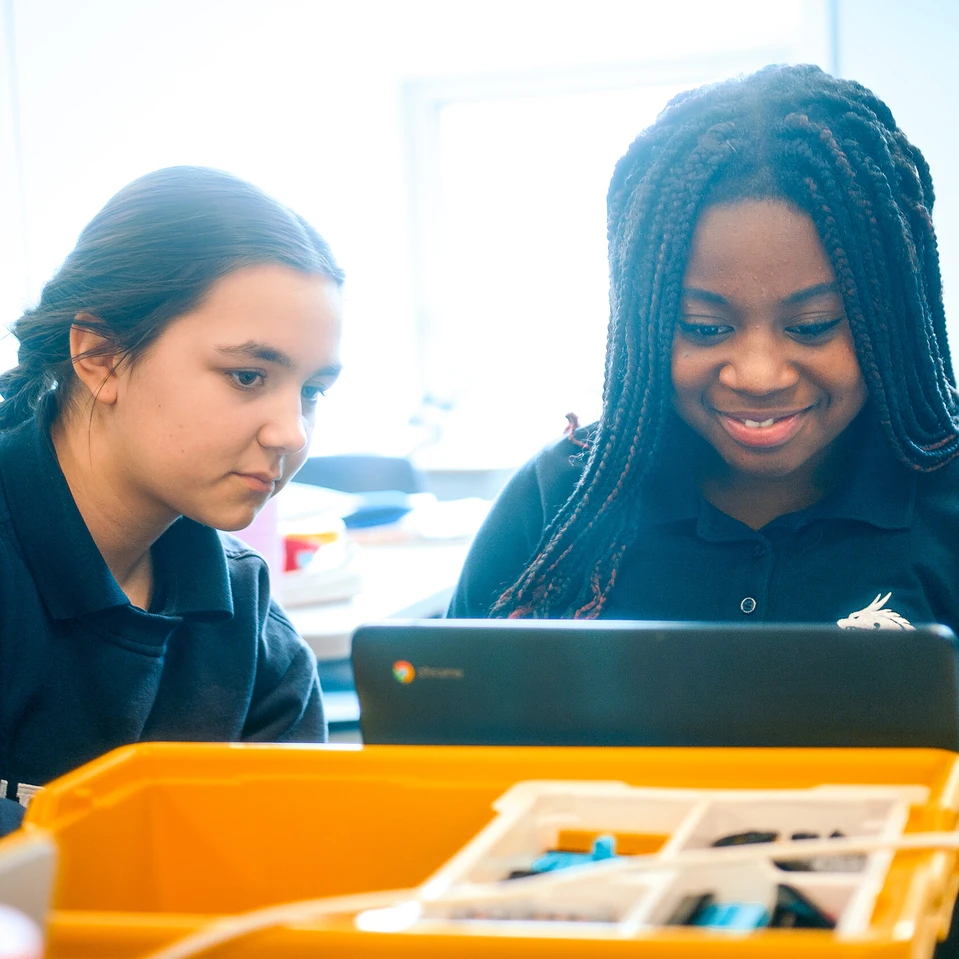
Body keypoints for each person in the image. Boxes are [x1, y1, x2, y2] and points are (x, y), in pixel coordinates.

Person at [449, 64, 959, 629]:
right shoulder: (561, 501)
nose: (759, 375)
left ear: (892, 318)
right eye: (705, 327)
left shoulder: (947, 508)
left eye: (812, 325)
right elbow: (443, 712)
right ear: (641, 326)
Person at [0, 166, 343, 835]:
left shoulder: (244, 616)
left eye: (311, 391)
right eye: (248, 375)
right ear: (99, 353)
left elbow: (293, 864)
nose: (291, 432)